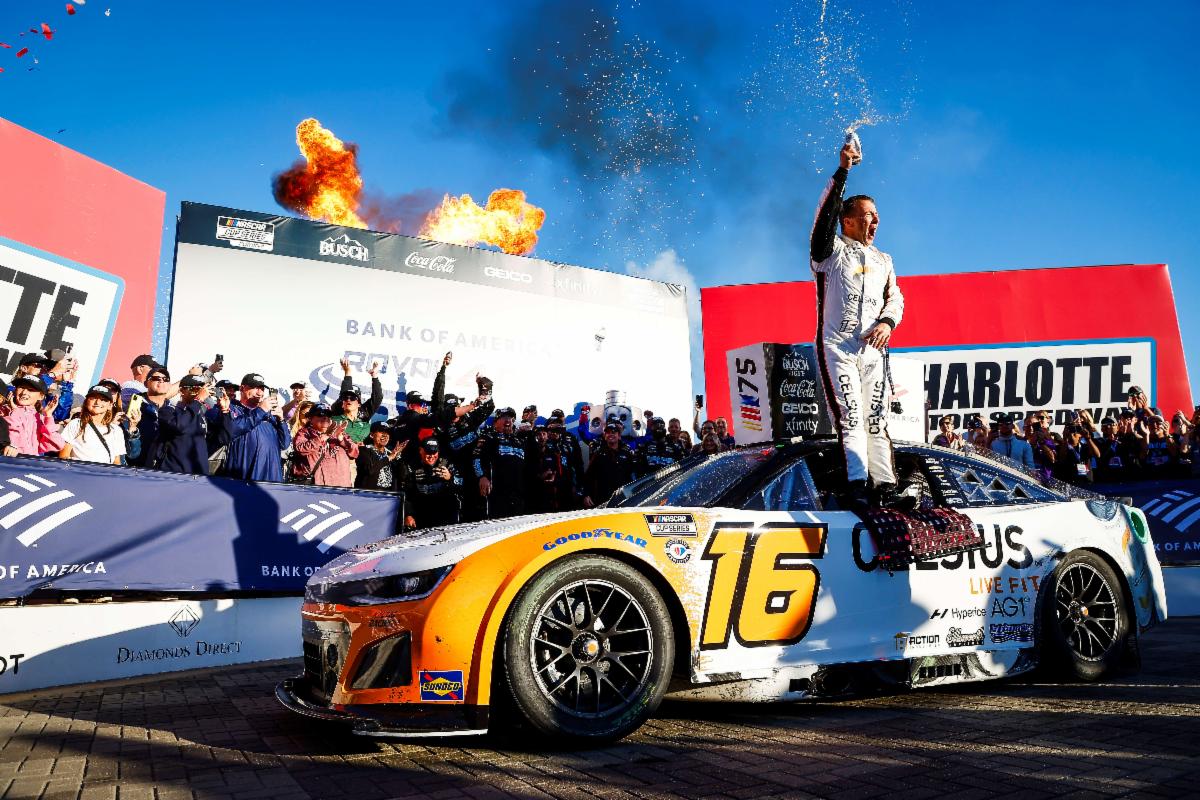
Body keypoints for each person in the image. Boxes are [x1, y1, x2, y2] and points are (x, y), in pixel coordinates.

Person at [810, 137, 904, 508]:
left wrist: (887, 322)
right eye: (868, 215)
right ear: (847, 221)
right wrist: (843, 170)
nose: (876, 220)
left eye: (877, 215)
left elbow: (896, 298)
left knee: (876, 419)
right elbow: (823, 219)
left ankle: (886, 487)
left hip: (873, 351)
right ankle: (857, 486)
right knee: (851, 417)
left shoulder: (884, 260)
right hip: (838, 347)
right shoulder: (830, 251)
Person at [212, 372, 292, 482]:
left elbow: (284, 444)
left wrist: (281, 420)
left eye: (262, 389)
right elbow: (231, 430)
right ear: (242, 388)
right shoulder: (229, 408)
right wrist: (260, 410)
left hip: (271, 479)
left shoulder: (269, 414)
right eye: (255, 388)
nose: (259, 393)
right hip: (243, 477)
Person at [473, 407, 530, 519]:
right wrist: (482, 476)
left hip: (518, 494)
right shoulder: (488, 438)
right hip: (497, 494)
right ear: (495, 422)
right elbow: (476, 458)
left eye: (510, 418)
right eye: (504, 417)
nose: (508, 420)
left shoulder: (520, 441)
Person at [154, 375, 211, 475]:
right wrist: (198, 401)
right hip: (175, 474)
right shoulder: (168, 410)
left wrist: (225, 412)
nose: (198, 393)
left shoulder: (201, 413)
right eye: (194, 389)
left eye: (200, 390)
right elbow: (179, 426)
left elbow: (224, 438)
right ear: (181, 391)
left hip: (199, 475)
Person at [291, 403, 358, 487]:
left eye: (328, 414)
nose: (325, 417)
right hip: (318, 487)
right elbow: (300, 449)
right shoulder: (304, 433)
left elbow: (355, 453)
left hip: (342, 488)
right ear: (311, 418)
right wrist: (324, 436)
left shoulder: (339, 432)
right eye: (320, 414)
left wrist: (341, 440)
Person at [59, 384, 125, 465]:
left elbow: (116, 462)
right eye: (93, 398)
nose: (97, 402)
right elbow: (63, 456)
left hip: (104, 472)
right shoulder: (75, 424)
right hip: (77, 471)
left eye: (103, 400)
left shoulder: (116, 430)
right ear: (86, 402)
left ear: (110, 405)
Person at [405, 438, 463, 529]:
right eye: (428, 452)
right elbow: (407, 493)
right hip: (422, 515)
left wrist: (450, 478)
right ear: (421, 450)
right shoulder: (411, 466)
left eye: (434, 452)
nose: (431, 456)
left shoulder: (447, 464)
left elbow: (462, 485)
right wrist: (408, 514)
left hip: (445, 516)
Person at [1, 375, 65, 456]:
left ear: (41, 396)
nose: (24, 392)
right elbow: (9, 441)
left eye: (30, 390)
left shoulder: (40, 418)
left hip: (31, 462)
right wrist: (15, 412)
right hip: (7, 461)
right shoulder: (3, 410)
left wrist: (48, 416)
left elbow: (56, 445)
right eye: (21, 387)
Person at [582, 422, 636, 508]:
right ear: (604, 436)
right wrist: (586, 494)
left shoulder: (627, 453)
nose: (610, 434)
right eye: (608, 432)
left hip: (623, 497)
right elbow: (589, 476)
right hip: (603, 499)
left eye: (613, 432)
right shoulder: (598, 454)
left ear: (619, 436)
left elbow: (632, 475)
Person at [332, 358, 384, 444]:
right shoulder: (337, 411)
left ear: (359, 403)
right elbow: (344, 391)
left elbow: (378, 397)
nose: (348, 400)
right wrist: (347, 372)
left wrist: (375, 377)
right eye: (345, 398)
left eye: (352, 398)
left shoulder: (365, 412)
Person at [355, 421, 407, 491]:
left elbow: (403, 476)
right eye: (381, 432)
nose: (385, 435)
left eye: (387, 432)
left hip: (389, 495)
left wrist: (398, 457)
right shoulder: (364, 450)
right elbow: (370, 470)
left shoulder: (391, 453)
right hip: (369, 495)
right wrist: (389, 458)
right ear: (371, 435)